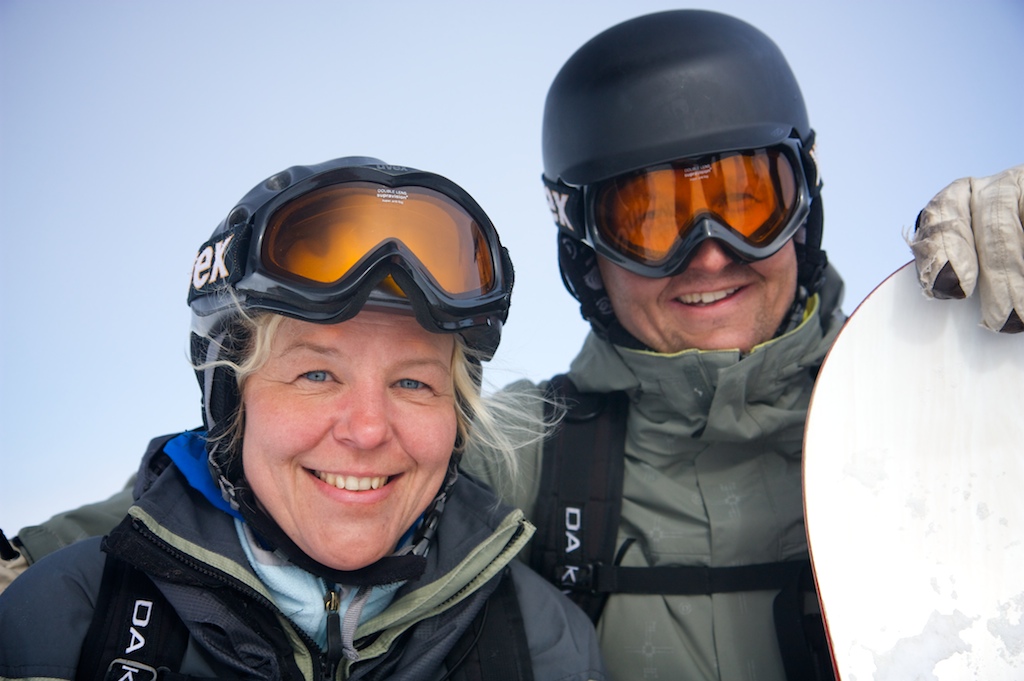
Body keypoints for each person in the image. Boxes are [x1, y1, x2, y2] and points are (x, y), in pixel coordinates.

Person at [3, 9, 1022, 681]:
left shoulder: (946, 400)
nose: (708, 253)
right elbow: (229, 494)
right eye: (651, 217)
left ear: (804, 205)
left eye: (746, 199)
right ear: (585, 248)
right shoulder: (527, 449)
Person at [0, 156, 606, 681]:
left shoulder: (548, 641)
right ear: (230, 401)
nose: (367, 430)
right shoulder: (66, 618)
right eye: (316, 375)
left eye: (413, 382)